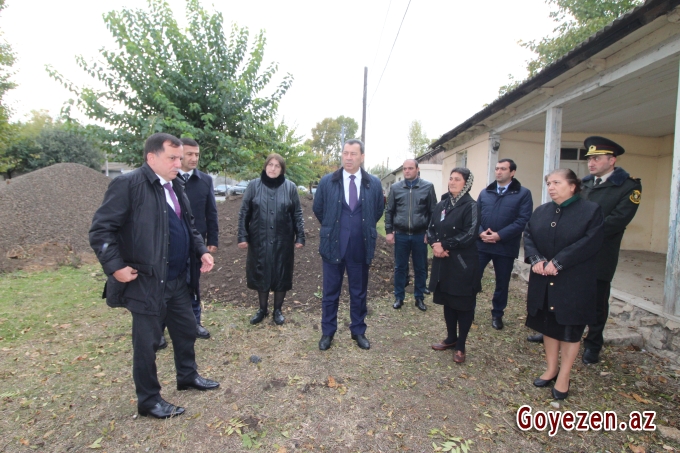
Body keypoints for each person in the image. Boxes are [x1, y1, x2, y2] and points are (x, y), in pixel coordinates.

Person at [89, 133, 219, 419]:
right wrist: (115, 267)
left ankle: (187, 376)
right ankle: (148, 400)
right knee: (147, 344)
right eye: (172, 157)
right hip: (146, 282)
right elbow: (101, 231)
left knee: (186, 331)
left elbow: (190, 226)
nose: (179, 162)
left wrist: (201, 251)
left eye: (180, 157)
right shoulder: (128, 185)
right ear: (151, 158)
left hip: (177, 280)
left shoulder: (175, 186)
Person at [527, 137, 642, 365]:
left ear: (612, 160)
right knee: (560, 294)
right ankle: (553, 329)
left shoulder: (628, 186)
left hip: (599, 254)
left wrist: (584, 238)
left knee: (596, 301)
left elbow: (616, 221)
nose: (591, 163)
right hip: (566, 253)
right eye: (589, 159)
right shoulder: (586, 183)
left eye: (596, 159)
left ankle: (593, 344)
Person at [524, 169, 603, 400]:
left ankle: (564, 376)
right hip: (543, 279)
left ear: (573, 186)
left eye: (556, 182)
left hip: (573, 282)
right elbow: (528, 235)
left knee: (569, 330)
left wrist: (560, 261)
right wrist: (536, 258)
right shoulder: (542, 211)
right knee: (549, 326)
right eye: (548, 183)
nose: (551, 187)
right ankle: (551, 368)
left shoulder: (590, 211)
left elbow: (590, 241)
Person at [313, 139, 384, 350]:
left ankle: (358, 330)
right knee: (330, 292)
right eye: (345, 153)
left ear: (362, 157)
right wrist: (333, 228)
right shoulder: (328, 182)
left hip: (360, 246)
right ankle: (327, 332)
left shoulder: (374, 183)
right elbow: (319, 209)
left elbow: (377, 211)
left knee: (359, 292)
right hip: (333, 245)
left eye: (354, 154)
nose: (349, 158)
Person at [158, 138, 218, 348]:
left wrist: (212, 240)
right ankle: (159, 330)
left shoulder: (205, 181)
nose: (193, 159)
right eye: (189, 154)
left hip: (196, 243)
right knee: (165, 287)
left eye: (197, 155)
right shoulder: (167, 182)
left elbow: (211, 211)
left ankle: (194, 323)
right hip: (169, 247)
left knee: (193, 285)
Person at [237, 153, 305, 325]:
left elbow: (297, 213)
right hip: (259, 239)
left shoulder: (290, 187)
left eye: (277, 166)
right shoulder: (253, 186)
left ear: (282, 169)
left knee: (281, 273)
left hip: (284, 240)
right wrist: (242, 235)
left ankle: (277, 310)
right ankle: (262, 309)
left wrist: (300, 236)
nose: (273, 168)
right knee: (261, 272)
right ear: (265, 166)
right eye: (270, 165)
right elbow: (244, 212)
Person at [428, 168, 480, 364]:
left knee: (463, 304)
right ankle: (451, 338)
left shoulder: (471, 206)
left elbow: (470, 234)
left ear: (466, 183)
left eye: (457, 179)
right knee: (448, 300)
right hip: (443, 262)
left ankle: (461, 345)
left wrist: (445, 245)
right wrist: (434, 244)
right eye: (450, 178)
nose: (452, 182)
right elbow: (431, 228)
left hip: (463, 263)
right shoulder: (442, 204)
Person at [477, 158, 533, 330]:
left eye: (503, 169)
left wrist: (499, 235)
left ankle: (497, 314)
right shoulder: (485, 192)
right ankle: (467, 309)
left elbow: (523, 220)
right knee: (472, 278)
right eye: (497, 168)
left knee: (502, 283)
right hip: (482, 245)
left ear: (512, 172)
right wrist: (480, 232)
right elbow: (475, 215)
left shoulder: (523, 194)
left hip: (505, 247)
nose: (498, 172)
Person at [385, 159, 437, 311]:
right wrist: (389, 231)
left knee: (420, 267)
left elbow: (433, 212)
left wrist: (430, 232)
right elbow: (389, 211)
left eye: (410, 168)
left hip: (419, 235)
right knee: (400, 267)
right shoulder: (395, 188)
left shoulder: (427, 187)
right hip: (401, 235)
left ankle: (419, 297)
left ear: (417, 169)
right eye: (405, 169)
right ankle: (399, 297)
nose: (407, 171)